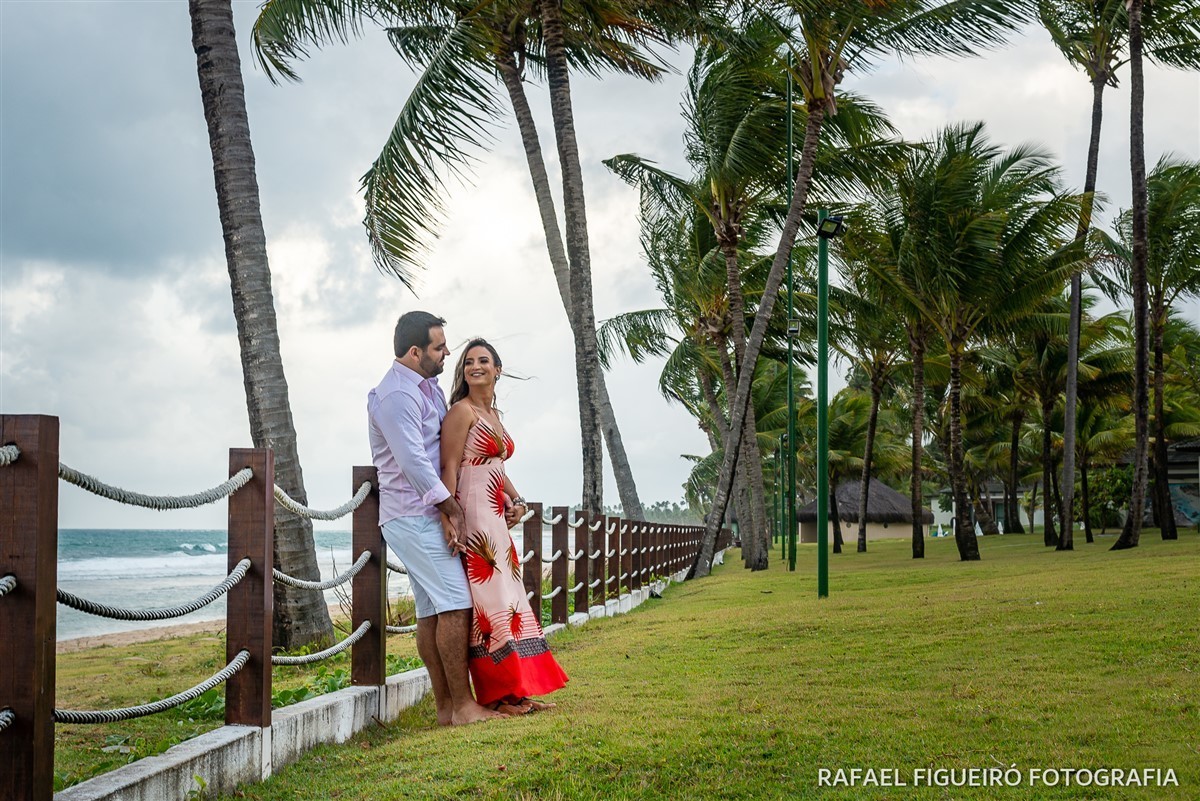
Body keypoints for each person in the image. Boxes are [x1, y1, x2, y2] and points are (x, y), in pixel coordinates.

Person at [368, 312, 503, 726]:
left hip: (424, 511)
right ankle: (464, 707)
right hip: (412, 514)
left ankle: (446, 709)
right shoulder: (396, 396)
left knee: (431, 610)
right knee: (456, 602)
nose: (448, 354)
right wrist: (452, 508)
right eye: (440, 348)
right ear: (415, 352)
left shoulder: (424, 387)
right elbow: (413, 462)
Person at [440, 338, 569, 715]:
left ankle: (516, 692)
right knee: (490, 603)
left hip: (497, 518)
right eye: (468, 362)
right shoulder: (460, 413)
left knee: (510, 601)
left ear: (498, 369)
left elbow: (497, 467)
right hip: (475, 517)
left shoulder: (494, 414)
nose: (475, 367)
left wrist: (519, 501)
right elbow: (449, 468)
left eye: (483, 361)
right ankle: (497, 697)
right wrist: (450, 517)